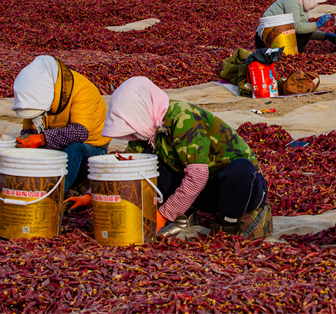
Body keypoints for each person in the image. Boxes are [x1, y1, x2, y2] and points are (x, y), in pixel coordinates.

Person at [103, 77, 272, 239]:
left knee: (240, 169)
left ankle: (228, 223)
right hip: (207, 193)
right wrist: (95, 194)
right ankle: (185, 214)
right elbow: (128, 169)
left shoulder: (183, 117)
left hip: (244, 191)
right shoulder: (146, 132)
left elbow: (198, 177)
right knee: (148, 163)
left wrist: (163, 215)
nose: (131, 133)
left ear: (141, 110)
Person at [12, 55, 111, 210]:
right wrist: (26, 140)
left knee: (74, 147)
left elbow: (80, 132)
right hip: (58, 144)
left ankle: (51, 196)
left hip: (91, 151)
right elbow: (29, 129)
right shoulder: (36, 97)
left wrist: (41, 139)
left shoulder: (82, 90)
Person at [255, 0, 336, 53]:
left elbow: (305, 30)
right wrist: (317, 24)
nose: (316, 5)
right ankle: (295, 53)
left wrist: (325, 36)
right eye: (316, 1)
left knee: (306, 29)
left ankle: (293, 53)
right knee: (305, 30)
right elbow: (297, 27)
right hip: (267, 39)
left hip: (280, 36)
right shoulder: (292, 0)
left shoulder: (302, 5)